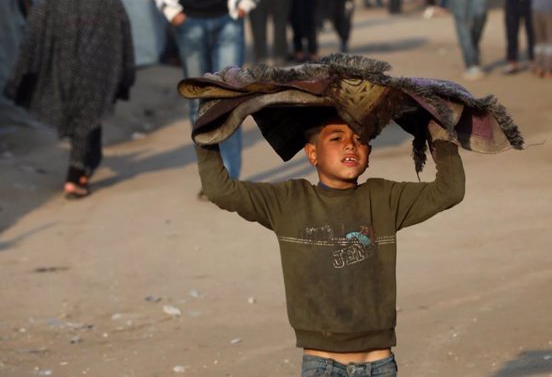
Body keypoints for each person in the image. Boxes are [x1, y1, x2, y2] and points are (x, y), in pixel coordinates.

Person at [194, 112, 465, 376]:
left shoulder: (384, 198)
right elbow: (221, 190)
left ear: (368, 155)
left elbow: (449, 190)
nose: (350, 144)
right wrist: (208, 130)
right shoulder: (288, 201)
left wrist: (438, 132)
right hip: (322, 366)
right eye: (336, 138)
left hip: (380, 365)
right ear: (312, 154)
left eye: (360, 140)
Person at [4, 0, 135, 199]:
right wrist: (125, 70)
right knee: (87, 118)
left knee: (78, 120)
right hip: (98, 71)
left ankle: (78, 173)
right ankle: (77, 176)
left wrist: (23, 71)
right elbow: (123, 27)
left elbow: (33, 32)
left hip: (62, 72)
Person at [145, 0, 266, 181]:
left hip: (229, 19)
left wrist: (245, 3)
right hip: (189, 21)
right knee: (199, 103)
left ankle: (230, 177)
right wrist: (172, 11)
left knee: (229, 98)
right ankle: (213, 178)